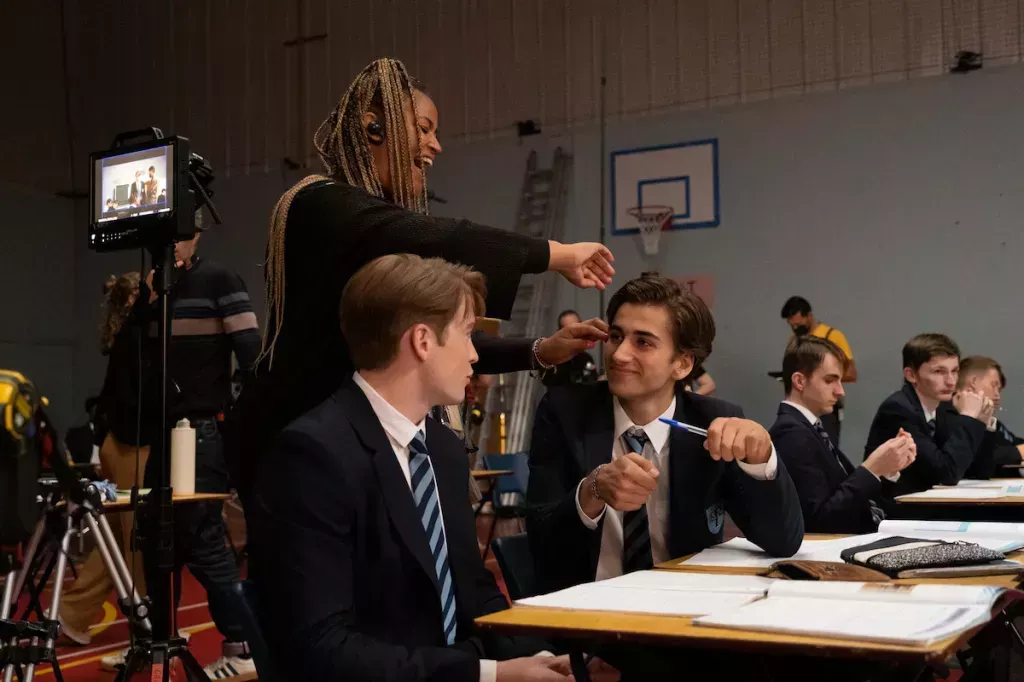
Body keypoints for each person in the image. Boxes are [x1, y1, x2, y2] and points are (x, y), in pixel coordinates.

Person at [226, 57, 615, 505]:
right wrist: (558, 254)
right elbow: (446, 236)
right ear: (374, 127)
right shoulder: (321, 203)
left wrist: (539, 350)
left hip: (349, 449)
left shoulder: (372, 233)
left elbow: (424, 340)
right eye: (425, 128)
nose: (436, 145)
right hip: (300, 453)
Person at [248, 254, 618, 681]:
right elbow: (322, 648)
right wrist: (490, 674)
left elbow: (475, 592)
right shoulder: (313, 455)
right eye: (466, 334)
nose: (475, 354)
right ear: (423, 341)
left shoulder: (441, 449)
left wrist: (550, 657)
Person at [527, 274, 802, 587]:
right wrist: (591, 491)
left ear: (683, 364)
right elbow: (539, 542)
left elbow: (784, 541)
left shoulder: (713, 423)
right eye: (616, 336)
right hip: (585, 617)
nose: (618, 355)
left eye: (643, 342)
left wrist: (762, 461)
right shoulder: (564, 412)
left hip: (682, 613)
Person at [100, 224, 263, 679]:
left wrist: (244, 430)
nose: (171, 245)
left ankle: (242, 647)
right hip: (161, 432)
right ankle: (158, 642)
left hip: (201, 432)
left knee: (203, 540)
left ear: (198, 234)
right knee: (155, 537)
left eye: (180, 234)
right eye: (163, 238)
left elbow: (253, 358)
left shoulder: (220, 281)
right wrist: (144, 304)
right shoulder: (154, 291)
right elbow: (126, 358)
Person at [59, 272, 150, 645]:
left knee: (114, 538)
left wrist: (98, 449)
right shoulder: (140, 335)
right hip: (134, 447)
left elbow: (107, 399)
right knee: (138, 541)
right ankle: (147, 631)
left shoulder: (123, 337)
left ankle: (70, 613)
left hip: (114, 446)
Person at [770, 336, 916, 534]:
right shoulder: (792, 434)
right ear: (799, 381)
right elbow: (820, 520)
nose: (840, 391)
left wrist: (888, 469)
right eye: (830, 380)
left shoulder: (810, 428)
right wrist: (871, 469)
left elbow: (851, 498)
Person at [864, 333, 991, 498]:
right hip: (893, 511)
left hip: (928, 504)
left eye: (955, 371)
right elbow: (946, 473)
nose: (951, 381)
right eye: (939, 371)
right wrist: (968, 418)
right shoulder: (898, 409)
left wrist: (980, 420)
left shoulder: (944, 407)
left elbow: (980, 469)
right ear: (911, 375)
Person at [780, 296, 855, 445]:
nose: (795, 329)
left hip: (825, 407)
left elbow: (851, 373)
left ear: (809, 316)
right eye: (792, 326)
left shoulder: (832, 336)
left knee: (828, 448)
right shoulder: (794, 341)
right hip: (802, 405)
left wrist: (824, 378)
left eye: (798, 324)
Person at [959, 356, 1024, 479]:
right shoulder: (950, 417)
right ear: (974, 382)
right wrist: (1018, 452)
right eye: (993, 386)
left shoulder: (993, 422)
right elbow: (979, 457)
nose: (997, 395)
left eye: (999, 389)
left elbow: (1010, 443)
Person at [542, 309, 598, 387]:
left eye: (577, 329)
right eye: (568, 330)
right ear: (559, 332)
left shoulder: (586, 358)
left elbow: (592, 382)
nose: (574, 334)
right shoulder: (552, 360)